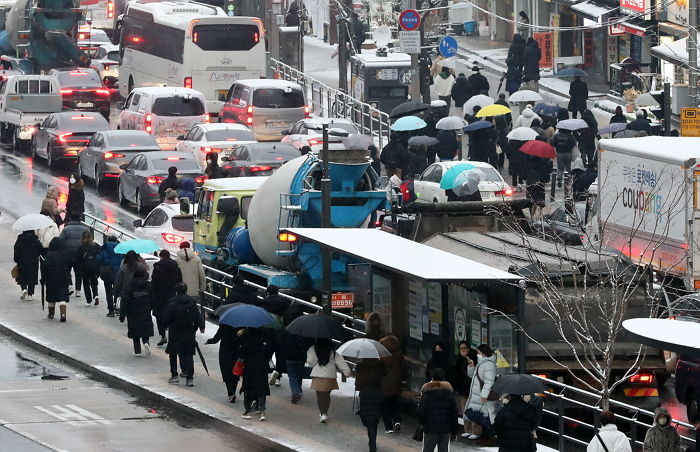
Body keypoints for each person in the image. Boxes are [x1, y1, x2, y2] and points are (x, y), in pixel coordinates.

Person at [165, 282, 205, 387]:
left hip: (175, 332)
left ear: (176, 292)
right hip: (189, 332)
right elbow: (197, 315)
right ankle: (189, 378)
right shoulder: (192, 302)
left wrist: (165, 326)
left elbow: (167, 318)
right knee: (188, 354)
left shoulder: (172, 303)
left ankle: (174, 375)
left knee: (173, 353)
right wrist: (201, 327)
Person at [306, 338, 352, 423]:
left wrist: (315, 364)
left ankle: (322, 413)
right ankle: (325, 413)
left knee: (320, 396)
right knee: (326, 396)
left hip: (318, 375)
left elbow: (310, 361)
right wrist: (347, 373)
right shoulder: (333, 350)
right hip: (329, 376)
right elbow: (340, 362)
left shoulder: (313, 348)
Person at [418, 368, 459, 452]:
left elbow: (421, 412)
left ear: (432, 378)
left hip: (430, 429)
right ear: (443, 379)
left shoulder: (426, 394)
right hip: (445, 429)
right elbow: (454, 413)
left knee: (428, 449)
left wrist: (423, 424)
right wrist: (454, 431)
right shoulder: (449, 394)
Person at [464, 344, 498, 444]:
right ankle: (485, 438)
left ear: (483, 353)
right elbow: (473, 376)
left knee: (487, 418)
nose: (477, 354)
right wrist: (471, 366)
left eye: (478, 353)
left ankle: (490, 439)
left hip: (485, 397)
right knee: (482, 418)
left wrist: (484, 395)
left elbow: (489, 381)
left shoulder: (489, 365)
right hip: (478, 395)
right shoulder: (481, 363)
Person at [119, 268, 155, 357]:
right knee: (145, 328)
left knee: (135, 331)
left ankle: (137, 351)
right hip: (145, 310)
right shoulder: (148, 285)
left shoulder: (130, 286)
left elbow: (125, 300)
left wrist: (122, 315)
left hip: (133, 312)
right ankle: (146, 342)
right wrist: (152, 307)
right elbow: (153, 298)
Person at [238, 327, 272, 421]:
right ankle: (262, 412)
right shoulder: (265, 335)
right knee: (262, 388)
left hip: (249, 366)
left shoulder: (246, 335)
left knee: (248, 388)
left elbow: (242, 352)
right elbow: (269, 351)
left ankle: (247, 411)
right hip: (262, 366)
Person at [151, 249, 183, 347]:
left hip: (160, 295)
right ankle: (172, 336)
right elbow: (180, 281)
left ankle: (163, 335)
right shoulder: (176, 267)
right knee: (172, 315)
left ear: (161, 256)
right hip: (172, 295)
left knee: (159, 315)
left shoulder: (157, 267)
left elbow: (154, 282)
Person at [355, 358, 385, 452]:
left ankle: (372, 444)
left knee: (368, 419)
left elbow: (358, 382)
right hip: (378, 393)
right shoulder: (381, 365)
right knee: (374, 418)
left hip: (365, 394)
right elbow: (384, 376)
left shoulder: (360, 366)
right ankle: (372, 442)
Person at [282, 304, 310, 404]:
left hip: (289, 353)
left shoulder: (287, 325)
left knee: (292, 374)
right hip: (301, 353)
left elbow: (282, 340)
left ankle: (295, 391)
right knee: (299, 373)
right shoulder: (304, 323)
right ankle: (299, 390)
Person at [206, 323, 241, 403]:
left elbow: (216, 338)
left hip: (225, 352)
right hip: (236, 352)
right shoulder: (241, 325)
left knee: (227, 373)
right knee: (235, 372)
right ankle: (233, 392)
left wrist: (209, 341)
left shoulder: (225, 324)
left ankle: (231, 394)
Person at [379, 335, 406, 433]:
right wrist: (403, 380)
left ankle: (389, 427)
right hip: (396, 383)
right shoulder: (399, 354)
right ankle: (397, 420)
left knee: (385, 406)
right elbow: (404, 368)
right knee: (395, 403)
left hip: (384, 384)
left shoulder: (382, 355)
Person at [58, 212, 89, 298]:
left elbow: (60, 240)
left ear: (70, 219)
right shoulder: (84, 229)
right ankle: (78, 290)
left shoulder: (66, 229)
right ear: (80, 219)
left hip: (67, 253)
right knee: (78, 272)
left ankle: (69, 285)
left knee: (66, 270)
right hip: (80, 254)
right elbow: (88, 241)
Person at [40, 238, 70, 322]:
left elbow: (45, 266)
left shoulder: (49, 254)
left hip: (51, 279)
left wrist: (43, 278)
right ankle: (63, 314)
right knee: (62, 297)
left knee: (51, 298)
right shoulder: (64, 254)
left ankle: (51, 314)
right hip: (63, 279)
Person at [452, 341, 478, 435]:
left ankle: (475, 430)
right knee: (465, 410)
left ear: (468, 349)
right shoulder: (458, 359)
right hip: (462, 388)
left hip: (472, 388)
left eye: (464, 348)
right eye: (461, 349)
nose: (463, 350)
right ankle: (467, 429)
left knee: (473, 409)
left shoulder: (473, 358)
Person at [13, 230, 43, 300]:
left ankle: (24, 289)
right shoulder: (36, 240)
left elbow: (16, 249)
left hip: (22, 261)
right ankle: (30, 295)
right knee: (32, 277)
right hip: (33, 262)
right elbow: (40, 249)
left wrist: (16, 259)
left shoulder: (20, 239)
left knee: (22, 276)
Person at [76, 230, 101, 305]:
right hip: (94, 267)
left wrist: (79, 268)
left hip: (85, 268)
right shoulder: (96, 246)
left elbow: (78, 259)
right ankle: (96, 295)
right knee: (94, 282)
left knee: (86, 284)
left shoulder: (81, 247)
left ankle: (89, 300)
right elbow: (99, 258)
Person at [98, 235, 121, 317]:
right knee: (118, 291)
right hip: (117, 272)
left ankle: (111, 310)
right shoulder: (120, 248)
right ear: (116, 240)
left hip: (107, 272)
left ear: (108, 240)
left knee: (108, 291)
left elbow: (99, 258)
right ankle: (118, 308)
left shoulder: (104, 248)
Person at [525, 154, 551, 220]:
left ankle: (532, 216)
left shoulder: (528, 161)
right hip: (540, 183)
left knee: (530, 201)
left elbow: (524, 174)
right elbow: (545, 175)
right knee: (539, 202)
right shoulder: (542, 162)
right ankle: (538, 218)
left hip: (530, 182)